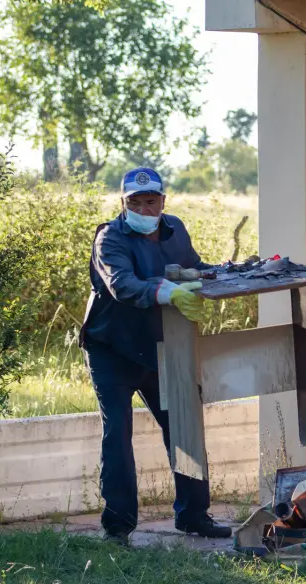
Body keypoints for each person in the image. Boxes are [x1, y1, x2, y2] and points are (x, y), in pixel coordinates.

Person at [80, 167, 231, 545]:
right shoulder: (109, 237)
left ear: (164, 201)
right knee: (118, 432)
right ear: (123, 204)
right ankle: (118, 527)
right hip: (111, 348)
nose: (145, 209)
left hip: (161, 346)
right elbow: (122, 285)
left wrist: (219, 277)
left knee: (184, 426)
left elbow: (193, 267)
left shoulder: (176, 229)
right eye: (136, 202)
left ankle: (194, 517)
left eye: (151, 201)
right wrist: (168, 292)